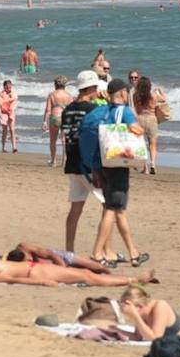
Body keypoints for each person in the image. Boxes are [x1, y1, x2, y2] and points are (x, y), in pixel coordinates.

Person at [79, 78, 150, 268]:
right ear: (122, 93)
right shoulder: (124, 111)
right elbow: (136, 130)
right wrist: (136, 127)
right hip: (118, 164)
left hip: (102, 163)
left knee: (119, 210)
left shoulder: (100, 111)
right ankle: (96, 253)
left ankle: (134, 253)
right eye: (126, 92)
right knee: (112, 208)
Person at [59, 71, 101, 253]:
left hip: (72, 162)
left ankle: (69, 251)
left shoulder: (67, 109)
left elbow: (67, 133)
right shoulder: (92, 110)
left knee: (75, 209)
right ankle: (103, 251)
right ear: (91, 87)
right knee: (110, 208)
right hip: (89, 165)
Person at [0, 254, 146, 286]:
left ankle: (132, 279)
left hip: (37, 268)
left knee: (87, 274)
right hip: (37, 274)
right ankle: (132, 280)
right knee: (86, 276)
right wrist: (42, 282)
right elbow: (11, 280)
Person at [6, 242, 114, 274]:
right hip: (48, 266)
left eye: (28, 260)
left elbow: (51, 255)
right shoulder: (14, 261)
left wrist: (63, 269)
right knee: (86, 272)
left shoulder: (26, 248)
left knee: (97, 267)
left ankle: (110, 274)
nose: (29, 262)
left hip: (60, 257)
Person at [129, 72, 162, 176]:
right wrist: (160, 91)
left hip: (140, 119)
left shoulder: (135, 96)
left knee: (141, 145)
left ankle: (145, 168)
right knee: (153, 144)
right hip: (152, 119)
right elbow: (164, 99)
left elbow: (134, 109)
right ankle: (153, 164)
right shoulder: (153, 95)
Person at [42, 76, 73, 167]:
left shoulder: (52, 94)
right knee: (65, 141)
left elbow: (48, 109)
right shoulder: (69, 95)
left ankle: (53, 161)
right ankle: (64, 162)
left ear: (55, 84)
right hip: (66, 118)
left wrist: (44, 121)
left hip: (55, 117)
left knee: (53, 141)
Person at [0, 80, 19, 153]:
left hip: (11, 112)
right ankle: (3, 147)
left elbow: (15, 102)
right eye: (7, 87)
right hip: (4, 113)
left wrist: (11, 107)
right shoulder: (1, 94)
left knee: (12, 130)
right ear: (4, 87)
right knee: (4, 131)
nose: (9, 89)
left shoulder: (14, 93)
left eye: (10, 87)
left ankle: (14, 147)